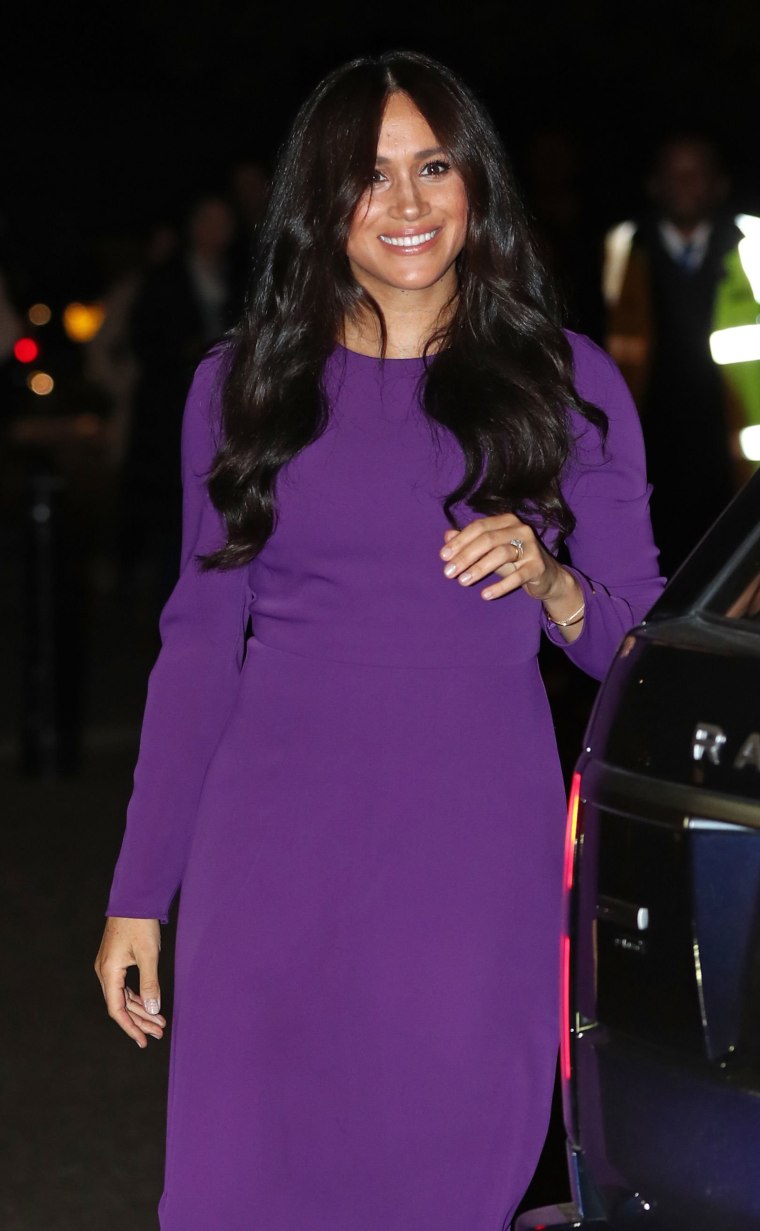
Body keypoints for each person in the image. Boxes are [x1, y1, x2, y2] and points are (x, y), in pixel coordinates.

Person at [95, 51, 664, 1231]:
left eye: (433, 166)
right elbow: (197, 645)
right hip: (267, 863)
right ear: (319, 205)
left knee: (437, 1180)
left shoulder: (566, 386)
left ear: (476, 187)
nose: (406, 205)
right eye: (368, 177)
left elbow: (636, 652)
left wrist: (551, 579)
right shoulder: (243, 384)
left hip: (470, 868)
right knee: (235, 1187)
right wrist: (139, 891)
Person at [604, 135, 753, 575]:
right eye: (674, 172)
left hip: (735, 460)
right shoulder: (617, 249)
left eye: (697, 171)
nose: (685, 183)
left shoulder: (752, 246)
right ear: (653, 184)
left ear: (720, 184)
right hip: (646, 453)